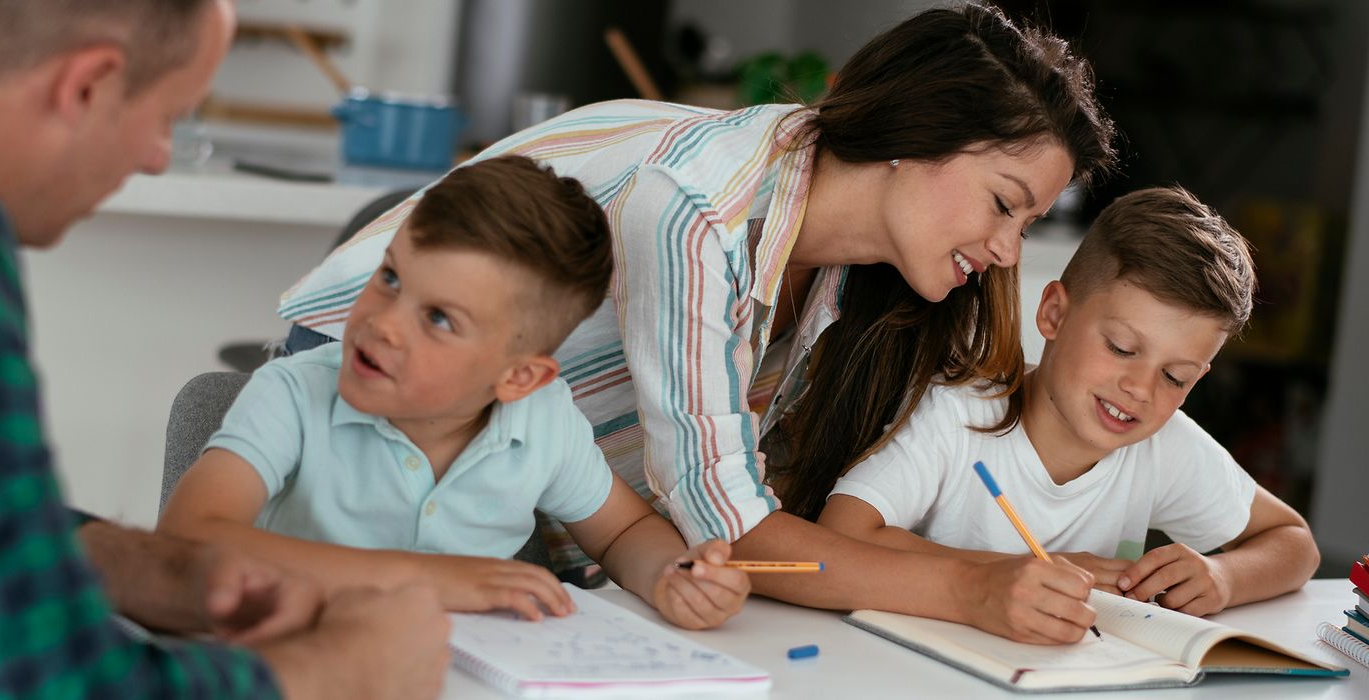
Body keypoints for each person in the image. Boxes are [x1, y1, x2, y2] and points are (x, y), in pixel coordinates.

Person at [275, 4, 1117, 643]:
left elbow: (734, 519)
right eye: (1004, 205)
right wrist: (972, 591)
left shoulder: (849, 277)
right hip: (387, 407)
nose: (1009, 251)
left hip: (546, 485)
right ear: (917, 132)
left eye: (1028, 224)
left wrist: (1002, 573)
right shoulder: (702, 209)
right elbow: (736, 529)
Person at [0, 0, 448, 697]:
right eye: (166, 118)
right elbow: (54, 680)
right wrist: (343, 668)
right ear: (87, 85)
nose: (157, 157)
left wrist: (133, 564)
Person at [161, 156, 751, 630]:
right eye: (390, 277)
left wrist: (670, 576)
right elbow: (188, 539)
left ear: (519, 378)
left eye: (439, 318)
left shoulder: (542, 420)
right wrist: (418, 578)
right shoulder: (293, 394)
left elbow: (623, 533)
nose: (384, 323)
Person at [821, 187, 1319, 617]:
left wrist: (1223, 576)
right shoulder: (957, 414)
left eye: (1175, 376)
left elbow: (1295, 543)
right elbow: (841, 534)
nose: (1141, 390)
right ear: (1054, 313)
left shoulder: (1162, 448)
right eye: (1121, 349)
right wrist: (1021, 572)